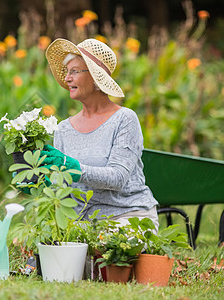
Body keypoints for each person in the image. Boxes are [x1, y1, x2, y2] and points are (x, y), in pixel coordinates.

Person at [41, 38, 159, 229]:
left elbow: (118, 177)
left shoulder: (124, 119)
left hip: (127, 216)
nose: (67, 78)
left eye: (75, 72)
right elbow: (63, 186)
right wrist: (43, 185)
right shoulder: (63, 129)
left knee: (106, 252)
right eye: (67, 72)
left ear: (96, 78)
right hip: (82, 223)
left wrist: (74, 167)